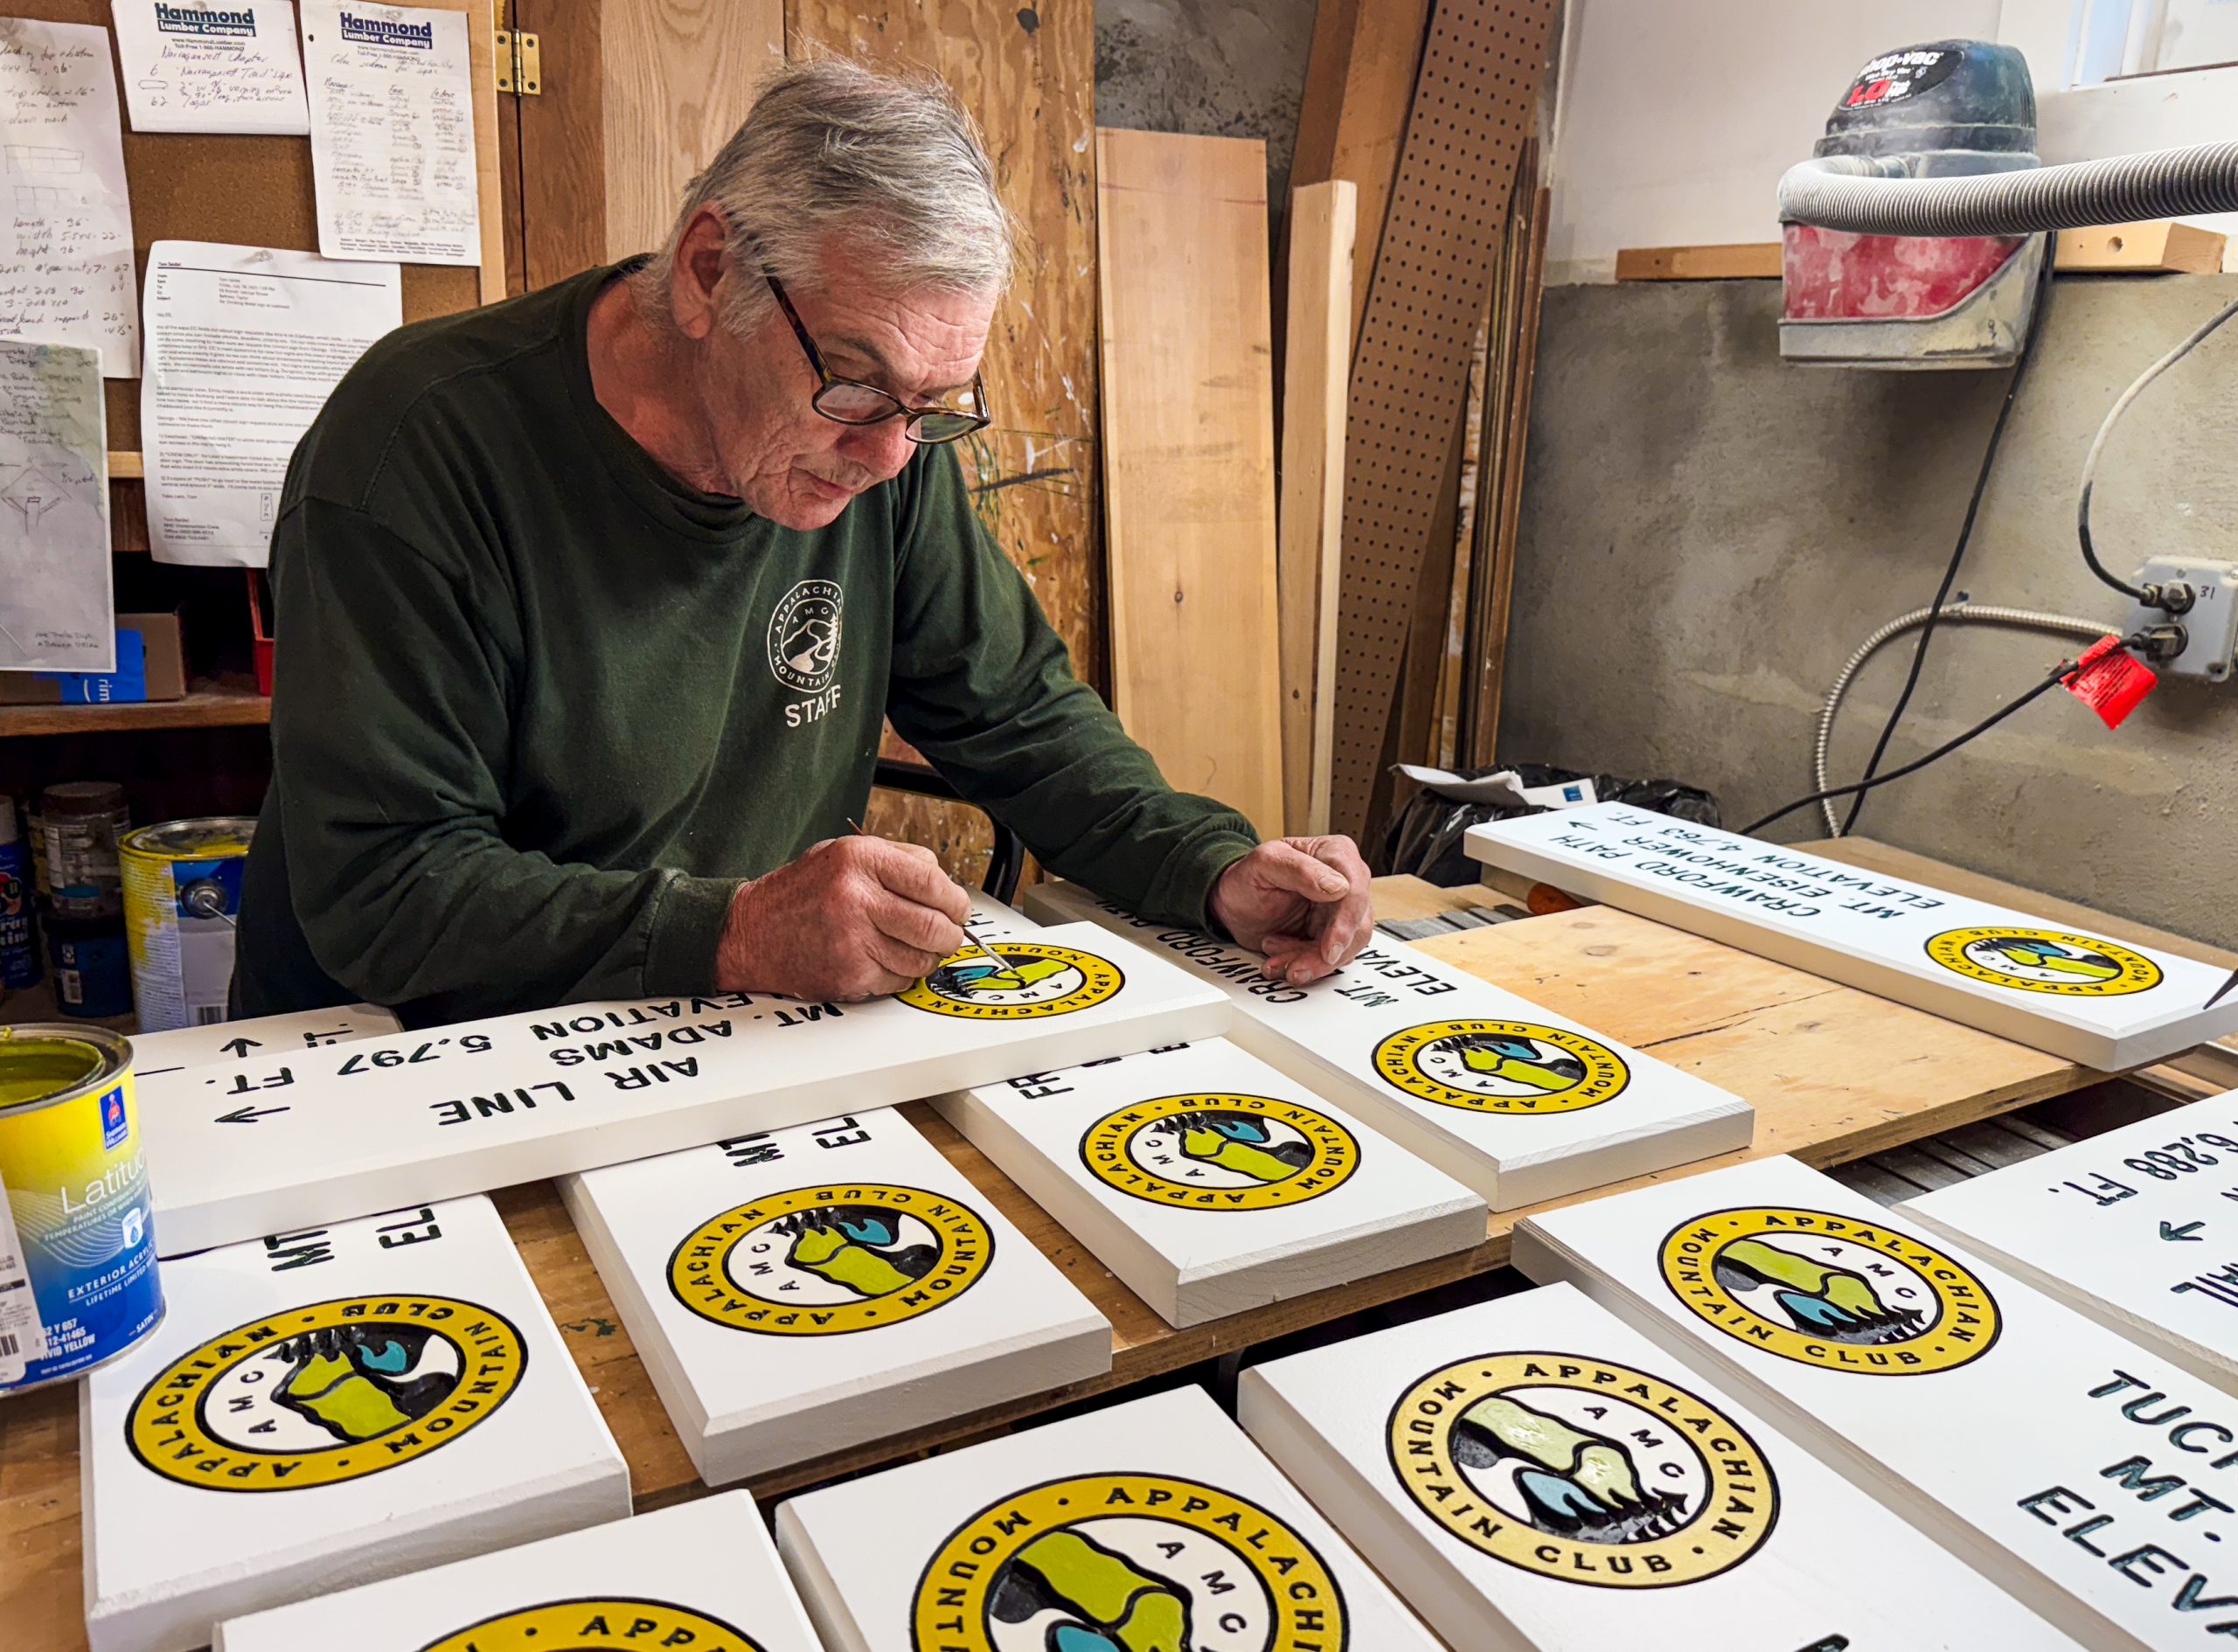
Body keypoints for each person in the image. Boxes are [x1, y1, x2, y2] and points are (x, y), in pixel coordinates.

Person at [233, 58, 1373, 1029]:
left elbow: (1016, 714)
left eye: (936, 404)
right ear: (707, 271)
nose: (890, 456)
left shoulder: (884, 450)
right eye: (856, 383)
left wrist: (1205, 863)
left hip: (713, 1026)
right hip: (404, 1052)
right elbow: (382, 888)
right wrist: (729, 932)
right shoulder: (415, 451)